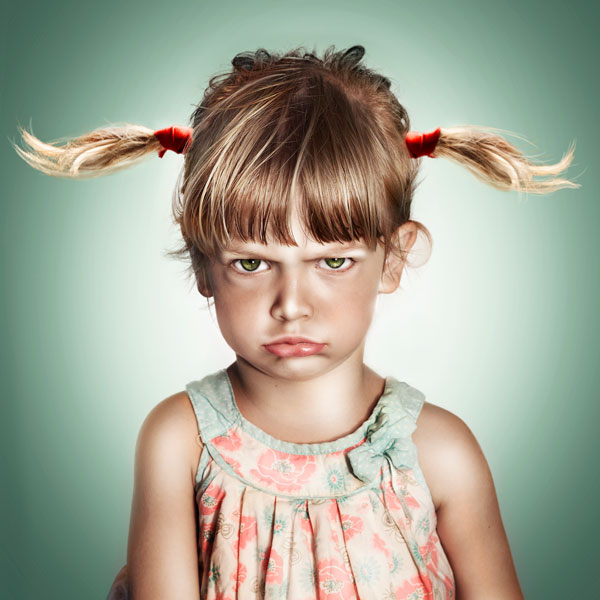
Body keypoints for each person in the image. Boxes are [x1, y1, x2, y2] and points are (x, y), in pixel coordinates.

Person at [13, 44, 578, 600]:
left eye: (332, 262)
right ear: (203, 265)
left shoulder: (441, 455)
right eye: (251, 263)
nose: (291, 304)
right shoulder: (179, 443)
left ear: (393, 259)